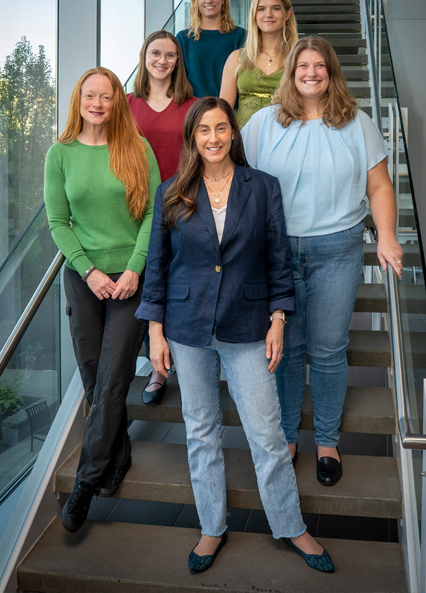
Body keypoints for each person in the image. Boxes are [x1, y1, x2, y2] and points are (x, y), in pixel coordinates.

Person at [136, 97, 334, 574]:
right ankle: (211, 526)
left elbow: (277, 260)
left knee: (266, 434)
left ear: (233, 133)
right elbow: (158, 270)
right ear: (192, 137)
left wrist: (278, 319)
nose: (213, 138)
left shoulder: (263, 187)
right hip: (186, 327)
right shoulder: (171, 192)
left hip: (247, 325)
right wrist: (155, 332)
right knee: (201, 431)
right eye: (203, 130)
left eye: (221, 128)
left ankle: (290, 525)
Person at [242, 37, 404, 486]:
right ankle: (289, 435)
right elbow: (237, 184)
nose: (311, 73)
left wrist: (387, 236)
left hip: (339, 248)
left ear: (331, 73)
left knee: (329, 349)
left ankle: (328, 441)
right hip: (277, 253)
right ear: (290, 73)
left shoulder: (358, 124)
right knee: (288, 350)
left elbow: (380, 187)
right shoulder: (261, 125)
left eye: (320, 66)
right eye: (303, 66)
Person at [44, 67, 161, 532]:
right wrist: (88, 270)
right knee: (95, 378)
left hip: (131, 276)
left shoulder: (136, 147)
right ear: (79, 101)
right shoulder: (60, 154)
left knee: (113, 377)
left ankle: (84, 487)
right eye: (89, 95)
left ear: (116, 102)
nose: (97, 103)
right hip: (84, 278)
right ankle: (120, 454)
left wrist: (134, 267)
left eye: (106, 96)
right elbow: (58, 222)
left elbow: (155, 211)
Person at [127, 30, 197, 404]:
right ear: (145, 56)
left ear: (178, 61)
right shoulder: (125, 104)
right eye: (155, 53)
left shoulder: (193, 104)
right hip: (138, 209)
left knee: (179, 285)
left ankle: (189, 366)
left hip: (184, 205)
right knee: (150, 284)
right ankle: (157, 368)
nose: (162, 61)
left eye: (170, 55)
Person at [220, 0, 297, 129]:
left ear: (287, 14)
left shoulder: (299, 58)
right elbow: (224, 111)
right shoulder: (236, 57)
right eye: (261, 9)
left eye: (276, 8)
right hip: (244, 142)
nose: (268, 14)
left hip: (288, 138)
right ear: (254, 15)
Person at [176, 0, 246, 98]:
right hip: (194, 111)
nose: (209, 0)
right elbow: (177, 81)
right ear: (196, 1)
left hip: (231, 111)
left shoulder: (241, 36)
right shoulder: (183, 39)